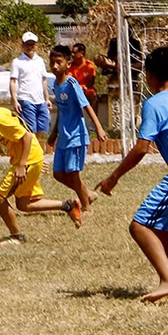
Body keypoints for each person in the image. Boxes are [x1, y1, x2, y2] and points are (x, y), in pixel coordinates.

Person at [96, 46, 168, 303]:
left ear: (150, 76)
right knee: (161, 226)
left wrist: (113, 177)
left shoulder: (153, 104)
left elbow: (141, 148)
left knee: (139, 225)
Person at [0, 83, 82, 245]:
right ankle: (68, 205)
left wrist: (24, 164)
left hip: (27, 159)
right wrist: (34, 161)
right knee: (24, 204)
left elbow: (27, 136)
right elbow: (20, 132)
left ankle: (16, 236)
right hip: (29, 158)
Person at [47, 45, 108, 224]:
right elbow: (61, 111)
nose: (55, 66)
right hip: (63, 136)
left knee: (73, 174)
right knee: (58, 174)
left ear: (68, 63)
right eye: (52, 62)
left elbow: (86, 105)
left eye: (59, 62)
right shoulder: (56, 85)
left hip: (76, 135)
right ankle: (87, 193)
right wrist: (54, 133)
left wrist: (98, 127)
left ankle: (86, 207)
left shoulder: (72, 83)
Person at [10, 32, 51, 137]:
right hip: (26, 99)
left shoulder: (40, 61)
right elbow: (13, 82)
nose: (30, 47)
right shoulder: (17, 62)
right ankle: (31, 151)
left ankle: (36, 150)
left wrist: (47, 98)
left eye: (32, 44)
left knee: (42, 128)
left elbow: (44, 80)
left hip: (40, 100)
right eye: (28, 44)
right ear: (23, 45)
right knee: (30, 129)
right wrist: (15, 100)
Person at [68, 43, 98, 111]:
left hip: (85, 90)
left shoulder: (89, 65)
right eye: (71, 52)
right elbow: (68, 80)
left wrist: (83, 87)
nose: (72, 54)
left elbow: (91, 82)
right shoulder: (70, 66)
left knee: (93, 93)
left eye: (74, 52)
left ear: (81, 53)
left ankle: (93, 118)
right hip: (73, 91)